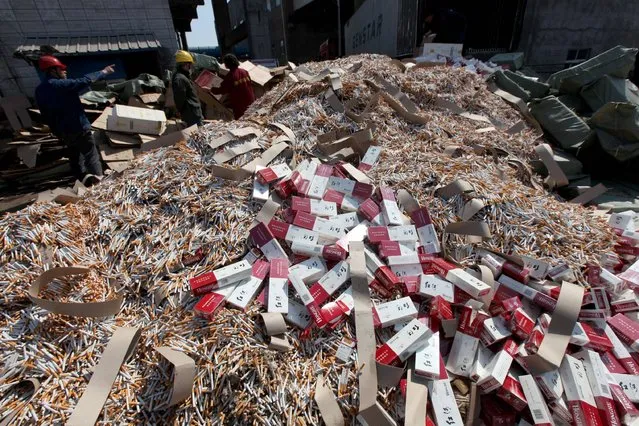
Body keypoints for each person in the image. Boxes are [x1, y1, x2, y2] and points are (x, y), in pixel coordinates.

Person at [35, 56, 114, 186]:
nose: (65, 71)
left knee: (76, 158)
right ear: (53, 70)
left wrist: (57, 132)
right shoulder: (59, 84)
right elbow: (83, 81)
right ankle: (101, 185)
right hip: (78, 127)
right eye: (61, 69)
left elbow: (45, 114)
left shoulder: (39, 90)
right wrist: (103, 72)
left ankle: (84, 182)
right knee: (91, 156)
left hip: (64, 132)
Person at [210, 54, 255, 120]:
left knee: (242, 122)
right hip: (251, 102)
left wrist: (210, 89)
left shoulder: (230, 76)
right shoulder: (244, 72)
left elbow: (221, 90)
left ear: (227, 64)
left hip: (240, 107)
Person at [172, 50, 204, 127]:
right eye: (190, 64)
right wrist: (180, 110)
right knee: (198, 134)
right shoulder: (180, 78)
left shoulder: (183, 77)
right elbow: (179, 97)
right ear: (186, 64)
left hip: (193, 112)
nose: (191, 67)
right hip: (191, 114)